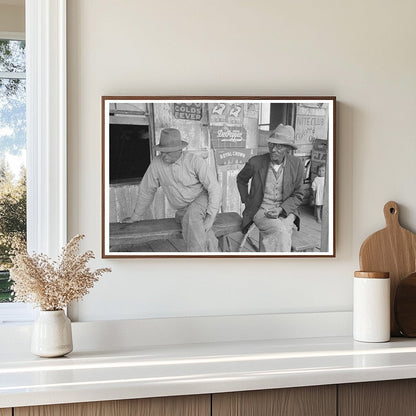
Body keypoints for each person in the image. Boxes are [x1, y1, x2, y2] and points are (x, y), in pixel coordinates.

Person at [123, 128, 222, 252]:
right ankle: (215, 257)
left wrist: (210, 218)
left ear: (180, 150)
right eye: (162, 151)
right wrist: (135, 216)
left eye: (168, 152)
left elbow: (214, 188)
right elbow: (147, 191)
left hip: (202, 199)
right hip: (183, 210)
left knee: (192, 216)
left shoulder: (194, 161)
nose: (163, 155)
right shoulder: (156, 164)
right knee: (196, 225)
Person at [237, 124, 304, 252]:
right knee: (281, 233)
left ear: (288, 149)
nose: (273, 149)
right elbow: (241, 179)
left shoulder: (297, 164)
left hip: (287, 210)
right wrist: (246, 200)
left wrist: (281, 209)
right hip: (261, 209)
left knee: (281, 232)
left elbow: (299, 194)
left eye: (279, 146)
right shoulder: (256, 162)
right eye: (271, 144)